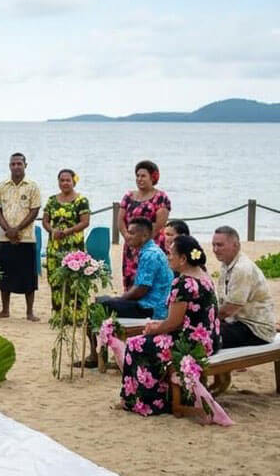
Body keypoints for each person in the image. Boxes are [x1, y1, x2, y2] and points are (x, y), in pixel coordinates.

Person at [119, 235, 221, 417]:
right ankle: (159, 394)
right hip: (209, 339)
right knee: (148, 339)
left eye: (170, 254)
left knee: (135, 344)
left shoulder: (182, 284)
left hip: (190, 343)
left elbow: (173, 323)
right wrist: (158, 326)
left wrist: (154, 328)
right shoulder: (203, 276)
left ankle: (144, 402)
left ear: (183, 259)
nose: (168, 257)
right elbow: (186, 318)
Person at [0, 153, 43, 321]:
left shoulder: (33, 187)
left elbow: (34, 210)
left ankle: (29, 312)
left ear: (25, 165)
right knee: (4, 274)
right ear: (9, 166)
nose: (16, 167)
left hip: (26, 238)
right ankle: (5, 310)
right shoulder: (1, 186)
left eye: (19, 163)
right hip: (5, 237)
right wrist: (8, 230)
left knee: (28, 275)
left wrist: (18, 229)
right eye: (13, 164)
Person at [211, 226, 277, 349]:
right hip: (238, 321)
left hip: (256, 329)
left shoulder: (242, 268)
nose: (215, 249)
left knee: (205, 337)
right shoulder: (227, 263)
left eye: (220, 245)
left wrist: (207, 320)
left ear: (236, 245)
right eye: (213, 245)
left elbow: (228, 309)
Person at [95, 217, 173, 321]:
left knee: (99, 306)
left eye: (132, 233)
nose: (127, 236)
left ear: (144, 236)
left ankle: (105, 336)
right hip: (150, 303)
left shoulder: (150, 254)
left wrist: (119, 299)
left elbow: (141, 290)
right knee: (102, 300)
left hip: (151, 308)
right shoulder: (151, 250)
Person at [41, 169, 91, 312]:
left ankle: (76, 314)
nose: (65, 183)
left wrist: (68, 231)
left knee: (75, 280)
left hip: (74, 247)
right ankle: (58, 312)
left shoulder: (81, 201)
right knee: (55, 279)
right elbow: (45, 221)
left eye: (68, 180)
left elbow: (85, 222)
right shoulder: (52, 200)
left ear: (74, 181)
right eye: (62, 180)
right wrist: (52, 231)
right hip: (55, 247)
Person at [119, 160, 171, 289]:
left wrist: (142, 241)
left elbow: (159, 224)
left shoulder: (160, 197)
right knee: (131, 281)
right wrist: (128, 237)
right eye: (137, 176)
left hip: (151, 245)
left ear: (152, 178)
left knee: (149, 282)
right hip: (130, 246)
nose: (139, 179)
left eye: (143, 176)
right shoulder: (128, 196)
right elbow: (120, 219)